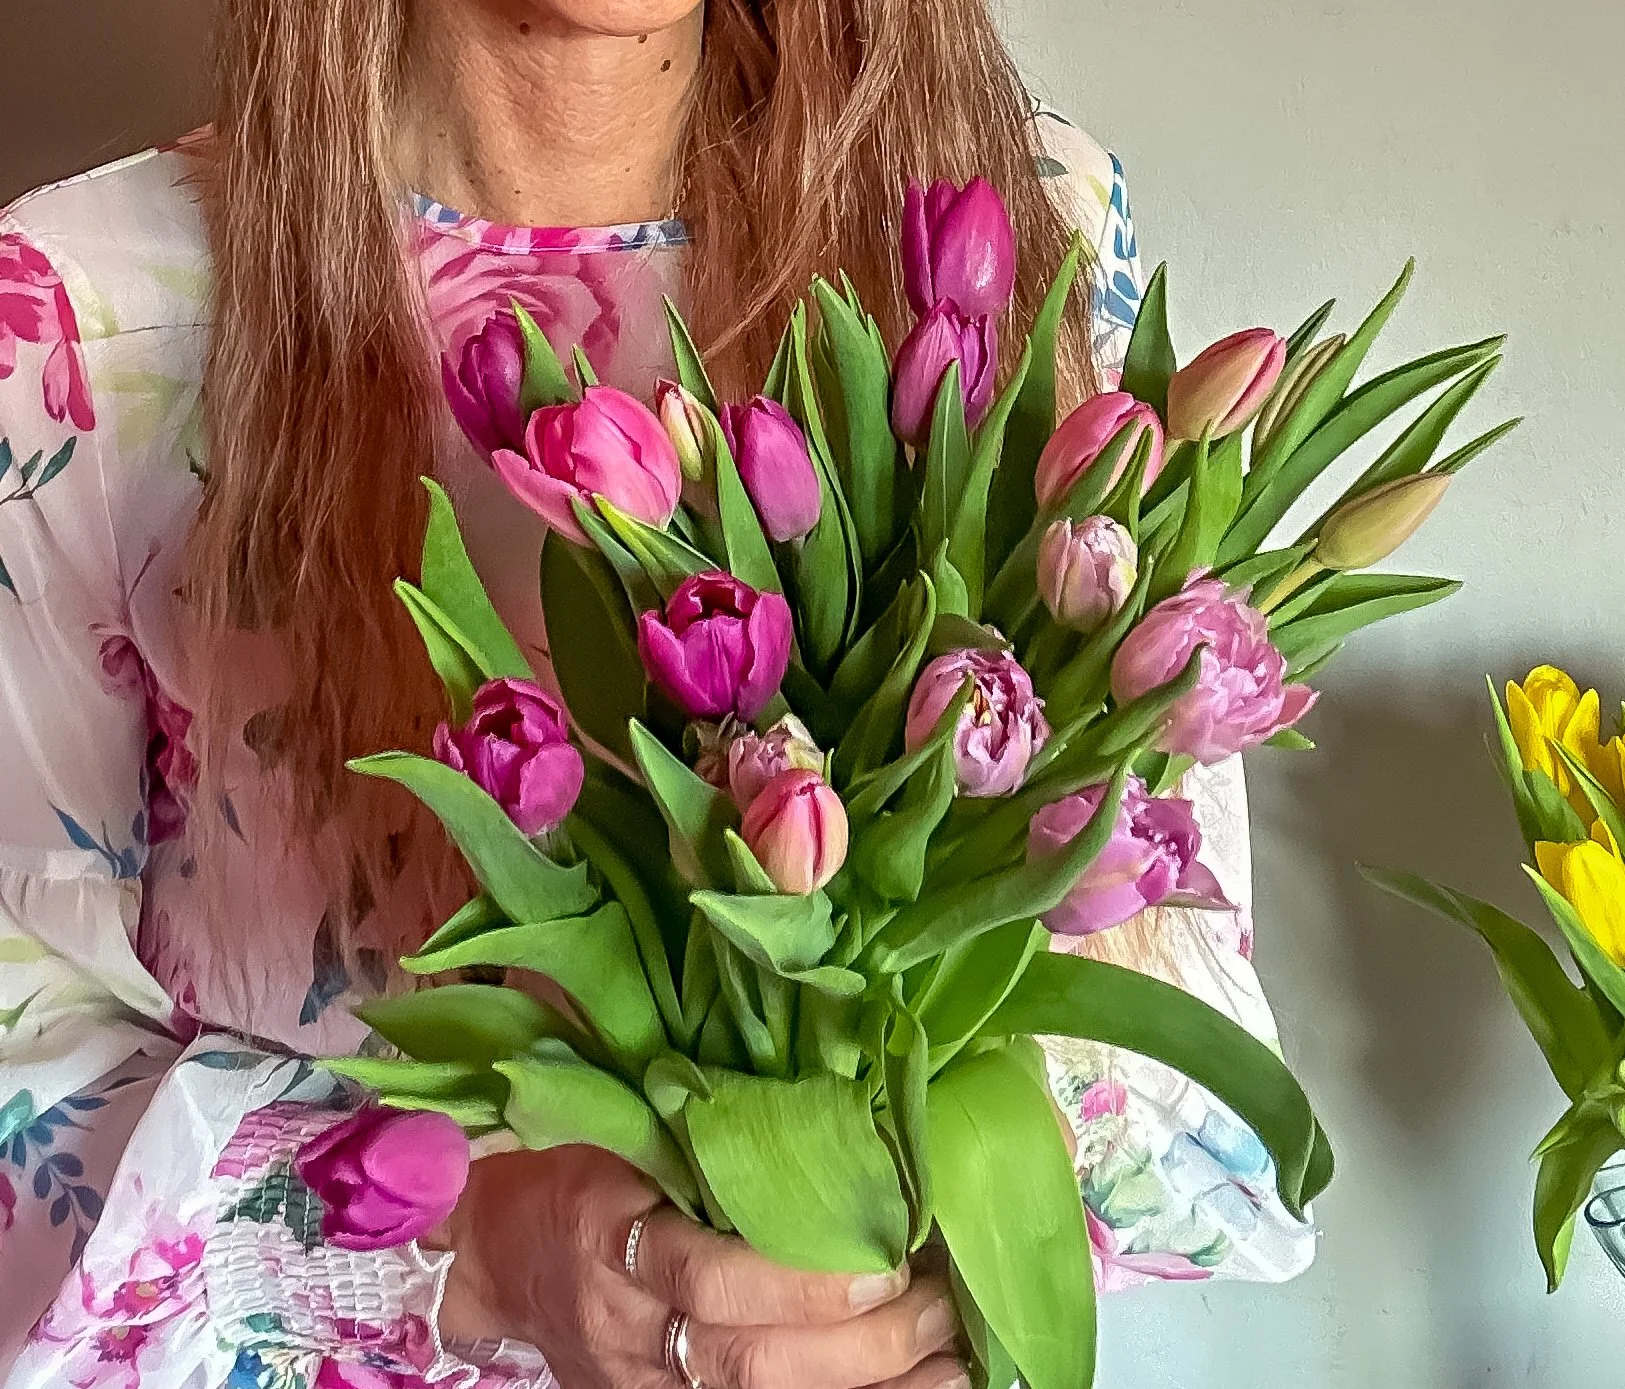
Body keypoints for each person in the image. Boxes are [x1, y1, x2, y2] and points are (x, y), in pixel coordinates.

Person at [0, 1, 1315, 1384]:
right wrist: (478, 1246)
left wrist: (896, 1225)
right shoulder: (82, 320)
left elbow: (1197, 1055)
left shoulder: (1014, 212)